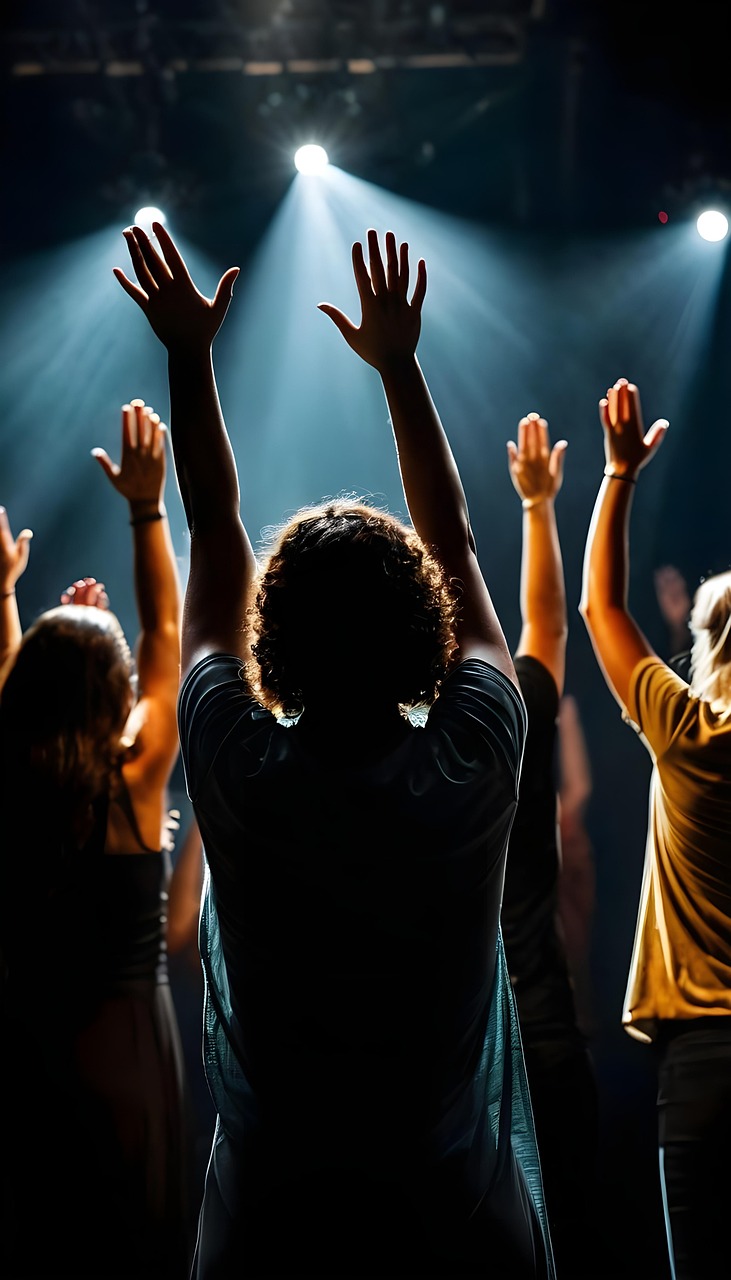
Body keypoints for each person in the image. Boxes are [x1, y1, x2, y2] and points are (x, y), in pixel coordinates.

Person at [114, 219, 556, 1278]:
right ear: (424, 630)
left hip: (273, 1225)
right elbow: (451, 538)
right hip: (452, 1225)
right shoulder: (472, 759)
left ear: (279, 637)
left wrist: (184, 355)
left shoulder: (237, 765)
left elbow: (215, 533)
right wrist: (400, 369)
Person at [0, 401, 193, 1280]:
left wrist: (11, 598)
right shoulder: (134, 784)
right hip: (125, 1053)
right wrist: (147, 509)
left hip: (30, 1046)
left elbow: (23, 702)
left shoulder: (15, 789)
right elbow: (167, 637)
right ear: (117, 697)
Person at [580, 376, 731, 1280]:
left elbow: (602, 609)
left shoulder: (689, 733)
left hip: (704, 1062)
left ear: (705, 648)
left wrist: (617, 475)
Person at [501, 412, 600, 1278]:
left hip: (447, 1070)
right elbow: (549, 628)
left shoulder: (392, 765)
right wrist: (538, 507)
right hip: (543, 1043)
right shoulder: (503, 733)